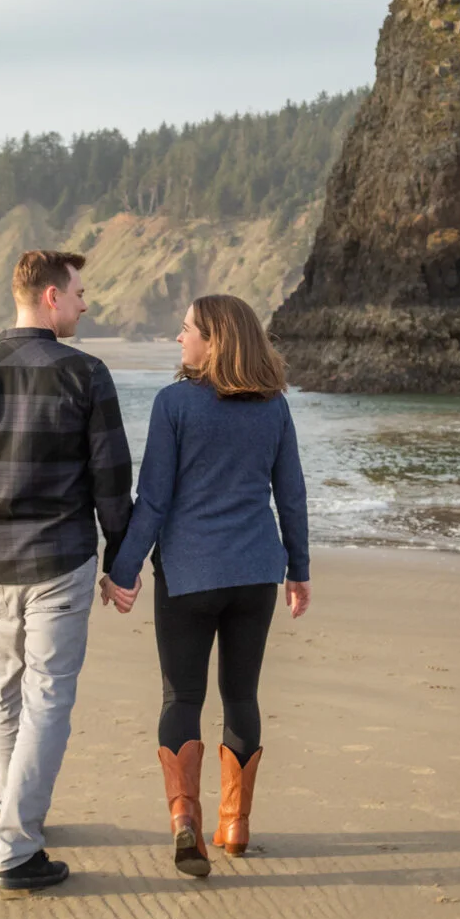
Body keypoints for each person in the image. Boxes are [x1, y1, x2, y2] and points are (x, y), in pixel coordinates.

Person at [0, 249, 133, 892]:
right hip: (61, 558)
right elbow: (112, 480)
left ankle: (16, 804)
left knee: (7, 688)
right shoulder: (86, 374)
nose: (84, 304)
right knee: (47, 696)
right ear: (49, 297)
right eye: (77, 293)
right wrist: (122, 562)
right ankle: (16, 846)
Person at [103, 294, 309, 877]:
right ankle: (236, 826)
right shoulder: (274, 407)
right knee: (241, 697)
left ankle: (185, 822)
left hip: (189, 576)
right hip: (255, 574)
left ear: (214, 340)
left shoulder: (174, 405)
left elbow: (155, 500)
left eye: (187, 329)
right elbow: (290, 496)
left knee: (181, 698)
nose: (179, 338)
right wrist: (300, 570)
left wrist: (121, 570)